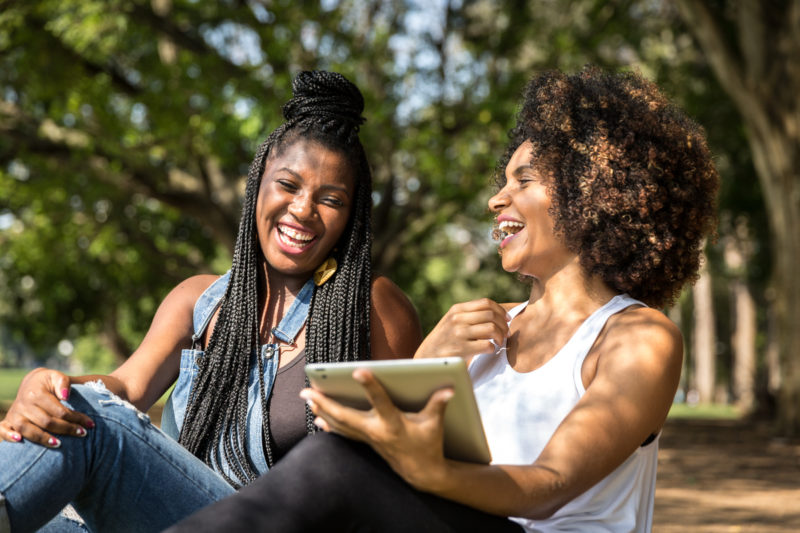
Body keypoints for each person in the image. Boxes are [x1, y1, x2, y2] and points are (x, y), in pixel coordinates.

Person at [166, 66, 719, 532]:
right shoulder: (487, 327)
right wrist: (429, 354)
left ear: (594, 194)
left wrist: (422, 468)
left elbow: (548, 486)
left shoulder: (638, 338)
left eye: (523, 180)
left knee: (333, 465)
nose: (496, 197)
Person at [0, 70, 422, 532]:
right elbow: (126, 387)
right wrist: (48, 387)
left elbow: (404, 468)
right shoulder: (199, 300)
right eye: (288, 185)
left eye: (332, 199)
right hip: (182, 519)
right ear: (258, 184)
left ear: (351, 218)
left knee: (88, 418)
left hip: (275, 523)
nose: (303, 209)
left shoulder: (374, 308)